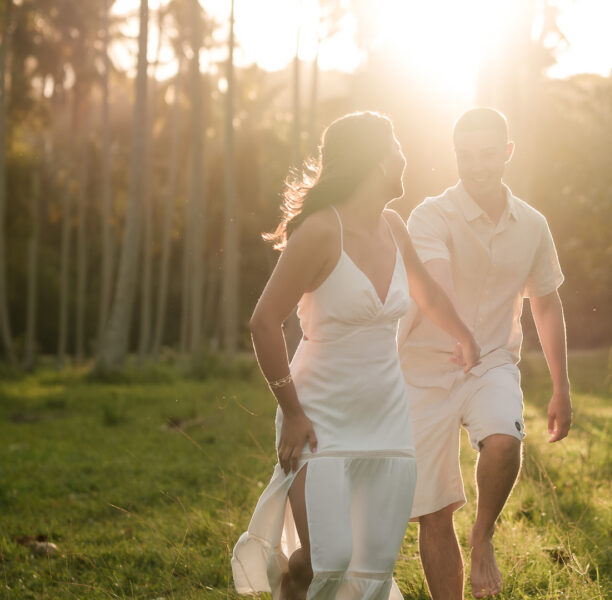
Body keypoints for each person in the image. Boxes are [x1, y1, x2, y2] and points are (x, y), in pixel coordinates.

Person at [231, 111, 481, 600]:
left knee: (369, 567)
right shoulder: (322, 231)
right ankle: (294, 583)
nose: (403, 157)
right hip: (318, 417)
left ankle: (300, 581)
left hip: (387, 420)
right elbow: (264, 321)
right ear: (372, 159)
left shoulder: (392, 225)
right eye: (395, 146)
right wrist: (293, 412)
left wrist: (464, 336)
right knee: (326, 558)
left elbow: (425, 292)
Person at [397, 107, 572, 599]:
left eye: (488, 155)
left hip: (492, 361)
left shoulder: (533, 225)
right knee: (433, 512)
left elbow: (547, 302)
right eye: (465, 156)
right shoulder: (429, 214)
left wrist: (561, 388)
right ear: (454, 156)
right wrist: (457, 333)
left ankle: (483, 535)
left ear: (508, 153)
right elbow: (436, 279)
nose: (477, 167)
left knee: (503, 440)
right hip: (422, 370)